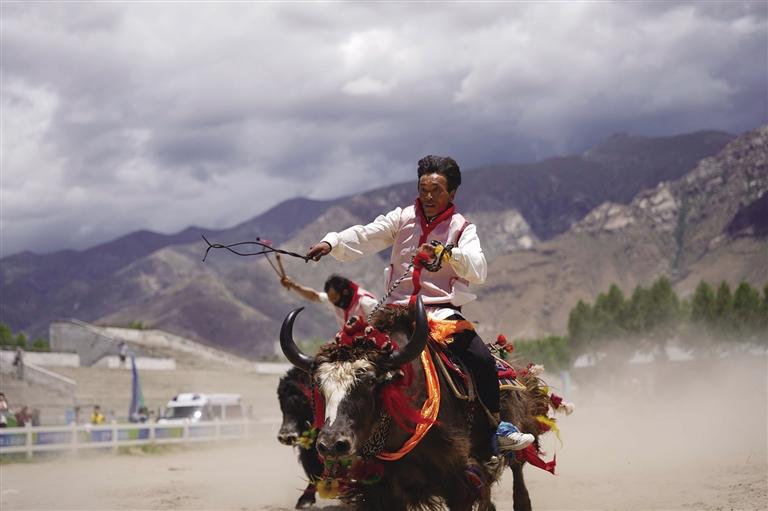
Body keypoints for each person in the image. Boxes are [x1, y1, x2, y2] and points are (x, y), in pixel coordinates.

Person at [306, 155, 534, 452]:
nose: (428, 196)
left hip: (440, 315)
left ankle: (496, 427)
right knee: (340, 362)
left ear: (452, 192)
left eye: (436, 190)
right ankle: (333, 429)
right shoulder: (401, 218)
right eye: (423, 189)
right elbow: (365, 235)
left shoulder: (462, 229)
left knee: (481, 360)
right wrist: (332, 243)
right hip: (392, 314)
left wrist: (448, 254)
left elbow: (478, 268)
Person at [281, 274, 378, 328]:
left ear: (345, 292)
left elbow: (383, 325)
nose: (332, 302)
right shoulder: (333, 300)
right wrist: (293, 285)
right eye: (330, 299)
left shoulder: (366, 303)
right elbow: (314, 296)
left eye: (334, 298)